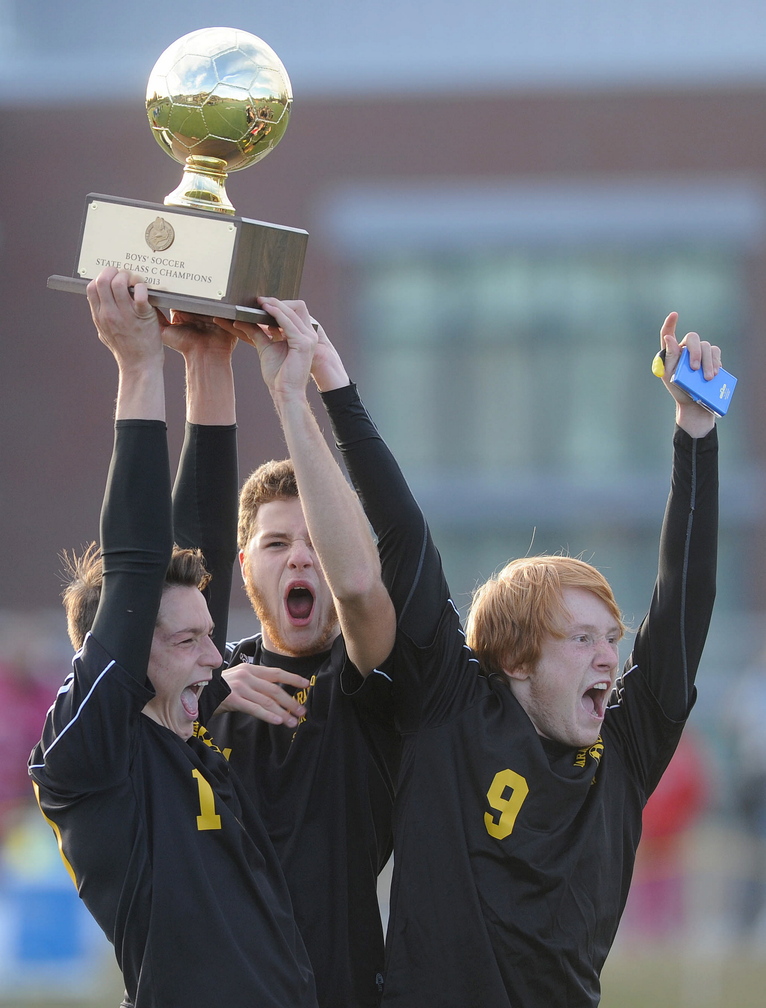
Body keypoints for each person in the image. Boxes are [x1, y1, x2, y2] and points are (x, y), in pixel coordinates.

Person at [312, 311, 720, 1007]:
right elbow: (404, 538)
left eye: (612, 638)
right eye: (582, 638)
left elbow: (685, 598)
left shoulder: (624, 750)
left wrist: (698, 431)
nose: (608, 658)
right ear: (516, 659)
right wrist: (333, 386)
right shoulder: (452, 708)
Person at [28, 268, 317, 1008]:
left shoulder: (184, 729)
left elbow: (202, 544)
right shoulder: (94, 753)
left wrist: (208, 363)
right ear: (122, 650)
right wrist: (138, 365)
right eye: (187, 642)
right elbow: (133, 561)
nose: (217, 657)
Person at [181, 298, 398, 1008]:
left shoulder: (367, 677)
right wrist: (203, 366)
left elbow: (363, 586)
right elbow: (180, 577)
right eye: (277, 545)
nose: (299, 558)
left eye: (314, 543)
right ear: (246, 566)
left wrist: (291, 393)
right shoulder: (210, 684)